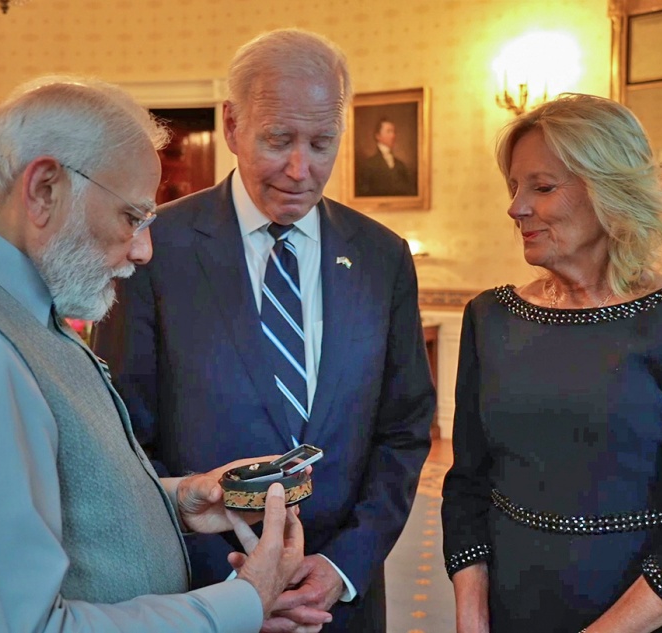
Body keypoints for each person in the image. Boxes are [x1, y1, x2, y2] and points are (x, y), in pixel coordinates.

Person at [0, 77, 310, 633]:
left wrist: (175, 501)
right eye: (132, 217)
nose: (143, 249)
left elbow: (23, 493)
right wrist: (245, 601)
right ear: (45, 189)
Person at [94, 29, 435, 632]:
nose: (301, 169)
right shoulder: (154, 249)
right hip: (198, 594)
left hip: (340, 601)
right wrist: (236, 587)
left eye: (322, 142)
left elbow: (403, 431)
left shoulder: (382, 257)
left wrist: (342, 564)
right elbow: (122, 440)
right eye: (278, 139)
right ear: (231, 125)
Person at [441, 94, 662, 633]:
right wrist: (471, 620)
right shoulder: (489, 318)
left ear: (610, 192)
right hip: (519, 612)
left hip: (653, 619)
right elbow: (468, 486)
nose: (515, 207)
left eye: (541, 187)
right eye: (515, 187)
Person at [354, 118, 416, 197]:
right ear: (378, 136)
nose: (393, 135)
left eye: (394, 132)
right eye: (389, 131)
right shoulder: (368, 165)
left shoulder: (400, 165)